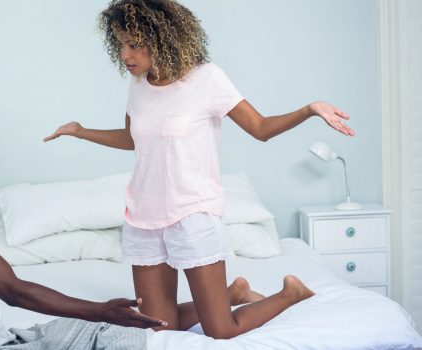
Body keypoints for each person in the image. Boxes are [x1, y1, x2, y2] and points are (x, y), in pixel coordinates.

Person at [43, 0, 347, 339]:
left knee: (221, 330)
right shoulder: (138, 85)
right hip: (143, 217)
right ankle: (232, 294)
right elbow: (132, 139)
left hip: (193, 215)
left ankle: (290, 293)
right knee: (157, 328)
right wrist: (80, 130)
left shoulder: (207, 80)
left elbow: (260, 127)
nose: (126, 55)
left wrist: (309, 109)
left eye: (135, 44)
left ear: (162, 38)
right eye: (120, 44)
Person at [0, 123, 264, 349]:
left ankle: (230, 295)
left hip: (2, 338)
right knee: (122, 338)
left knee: (132, 333)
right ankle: (237, 297)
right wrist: (100, 311)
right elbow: (12, 291)